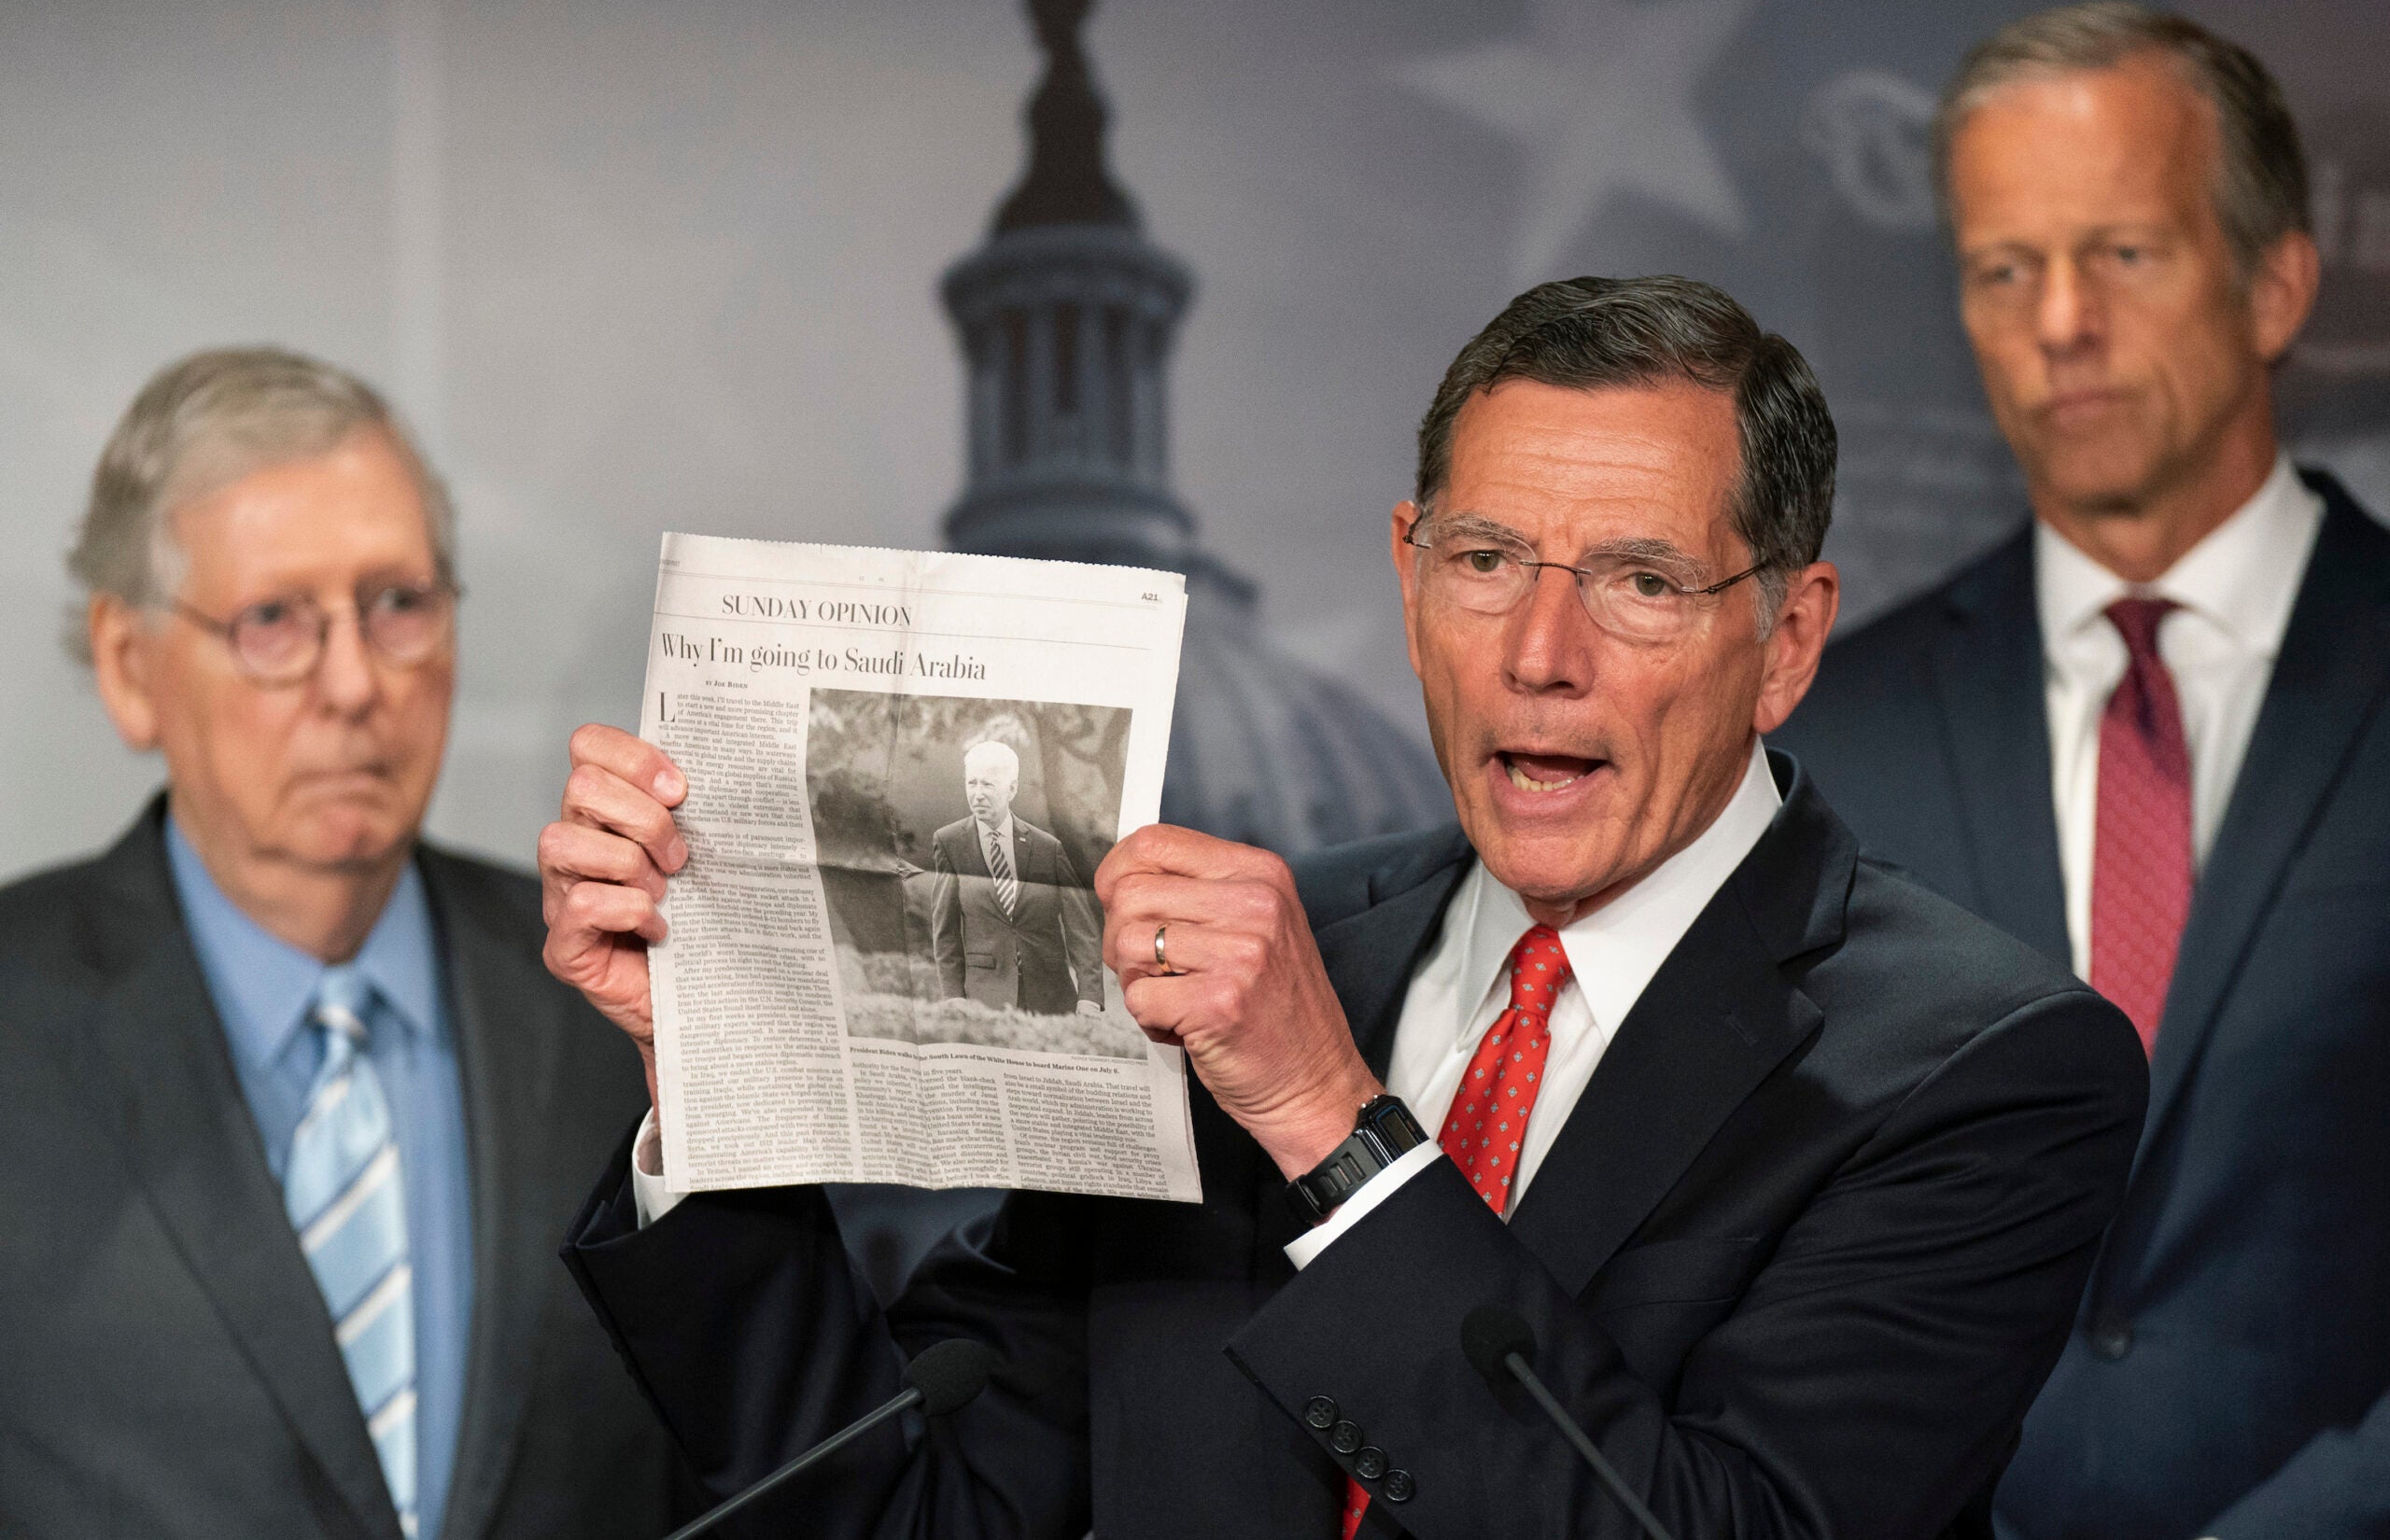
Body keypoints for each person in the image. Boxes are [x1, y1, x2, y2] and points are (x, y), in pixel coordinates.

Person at [538, 276, 2147, 1538]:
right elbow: (913, 1504)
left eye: (1641, 580)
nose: (1539, 652)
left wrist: (1331, 1121)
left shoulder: (1988, 1071)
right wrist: (716, 1066)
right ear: (1407, 570)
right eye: (1487, 558)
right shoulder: (1224, 965)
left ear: (1789, 641)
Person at [1774, 2, 2390, 1540]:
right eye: (2003, 268)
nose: (2059, 322)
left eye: (2121, 252)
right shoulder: (1830, 732)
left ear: (2276, 282)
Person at [0, 349, 685, 1539]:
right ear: (128, 666)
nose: (358, 683)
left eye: (398, 605)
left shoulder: (622, 1002)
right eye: (274, 621)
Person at [927, 738, 1103, 1015]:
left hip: (1052, 997)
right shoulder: (950, 842)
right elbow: (944, 930)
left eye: (988, 785)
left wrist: (1089, 996)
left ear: (1012, 789)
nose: (978, 794)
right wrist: (953, 996)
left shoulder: (1048, 848)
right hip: (983, 998)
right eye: (972, 783)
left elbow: (1080, 928)